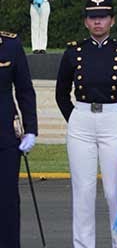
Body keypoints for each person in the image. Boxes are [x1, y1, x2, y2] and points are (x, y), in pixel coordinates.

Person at [55, 0, 117, 248]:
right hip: (82, 119)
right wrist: (74, 117)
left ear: (112, 20)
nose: (97, 22)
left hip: (114, 119)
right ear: (86, 22)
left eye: (102, 17)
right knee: (83, 191)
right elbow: (61, 93)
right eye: (92, 18)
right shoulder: (74, 51)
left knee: (114, 192)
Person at [1, 25, 37, 248]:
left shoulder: (11, 45)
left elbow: (24, 89)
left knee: (6, 199)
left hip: (4, 132)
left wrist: (31, 129)